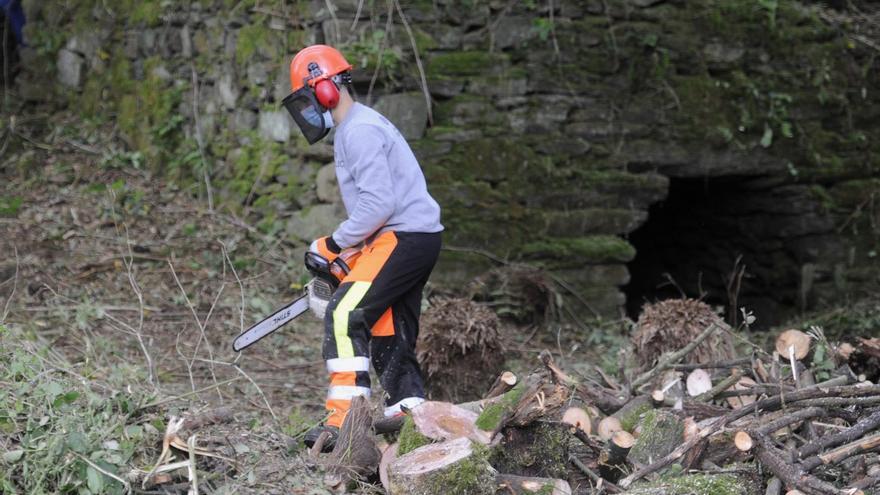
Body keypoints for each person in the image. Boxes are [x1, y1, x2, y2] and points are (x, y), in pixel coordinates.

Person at [281, 44, 443, 451]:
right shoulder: (357, 128)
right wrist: (351, 253)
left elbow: (378, 204)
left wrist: (333, 244)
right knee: (386, 323)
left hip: (404, 236)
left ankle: (344, 420)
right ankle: (409, 407)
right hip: (412, 236)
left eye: (306, 97)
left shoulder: (360, 130)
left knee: (345, 313)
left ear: (324, 90)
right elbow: (379, 210)